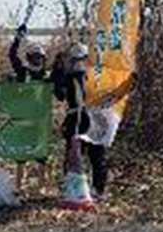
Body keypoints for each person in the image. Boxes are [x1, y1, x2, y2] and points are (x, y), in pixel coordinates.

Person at [52, 42, 108, 201]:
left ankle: (98, 190)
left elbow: (110, 93)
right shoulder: (68, 77)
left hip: (95, 119)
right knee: (73, 155)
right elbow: (60, 94)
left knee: (97, 155)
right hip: (76, 119)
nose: (79, 63)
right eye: (76, 60)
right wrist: (57, 70)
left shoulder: (97, 77)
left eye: (82, 59)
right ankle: (71, 188)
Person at [8, 24, 50, 192]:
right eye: (34, 57)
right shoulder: (22, 72)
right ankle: (19, 186)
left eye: (40, 57)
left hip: (40, 119)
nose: (37, 59)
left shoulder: (46, 75)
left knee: (41, 154)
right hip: (23, 118)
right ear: (29, 57)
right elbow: (12, 55)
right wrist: (18, 38)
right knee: (21, 154)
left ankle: (41, 186)